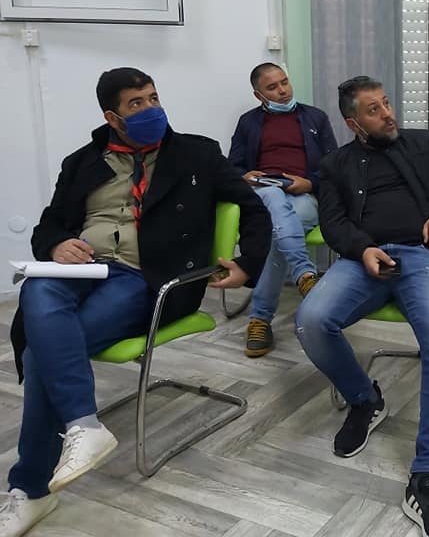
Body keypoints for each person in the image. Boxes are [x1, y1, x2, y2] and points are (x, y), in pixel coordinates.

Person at [1, 68, 270, 537]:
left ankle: (31, 488)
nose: (151, 109)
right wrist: (57, 245)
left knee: (42, 350)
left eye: (153, 98)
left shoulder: (197, 153)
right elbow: (50, 225)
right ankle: (84, 426)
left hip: (147, 278)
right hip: (83, 267)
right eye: (136, 104)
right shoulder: (82, 162)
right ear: (113, 117)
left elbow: (253, 210)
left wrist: (248, 264)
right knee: (38, 287)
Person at [295, 76, 429, 537]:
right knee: (311, 320)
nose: (388, 114)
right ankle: (365, 400)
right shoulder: (334, 165)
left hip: (424, 256)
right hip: (364, 260)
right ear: (353, 123)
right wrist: (362, 249)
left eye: (387, 103)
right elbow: (333, 222)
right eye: (374, 110)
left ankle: (427, 475)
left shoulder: (423, 143)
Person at [228, 62, 337, 357]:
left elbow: (334, 168)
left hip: (303, 195)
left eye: (284, 82)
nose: (282, 91)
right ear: (258, 95)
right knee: (272, 195)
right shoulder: (248, 122)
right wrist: (246, 176)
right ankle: (304, 273)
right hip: (263, 193)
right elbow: (232, 167)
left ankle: (260, 318)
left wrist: (309, 182)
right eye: (272, 87)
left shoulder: (315, 117)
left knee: (278, 234)